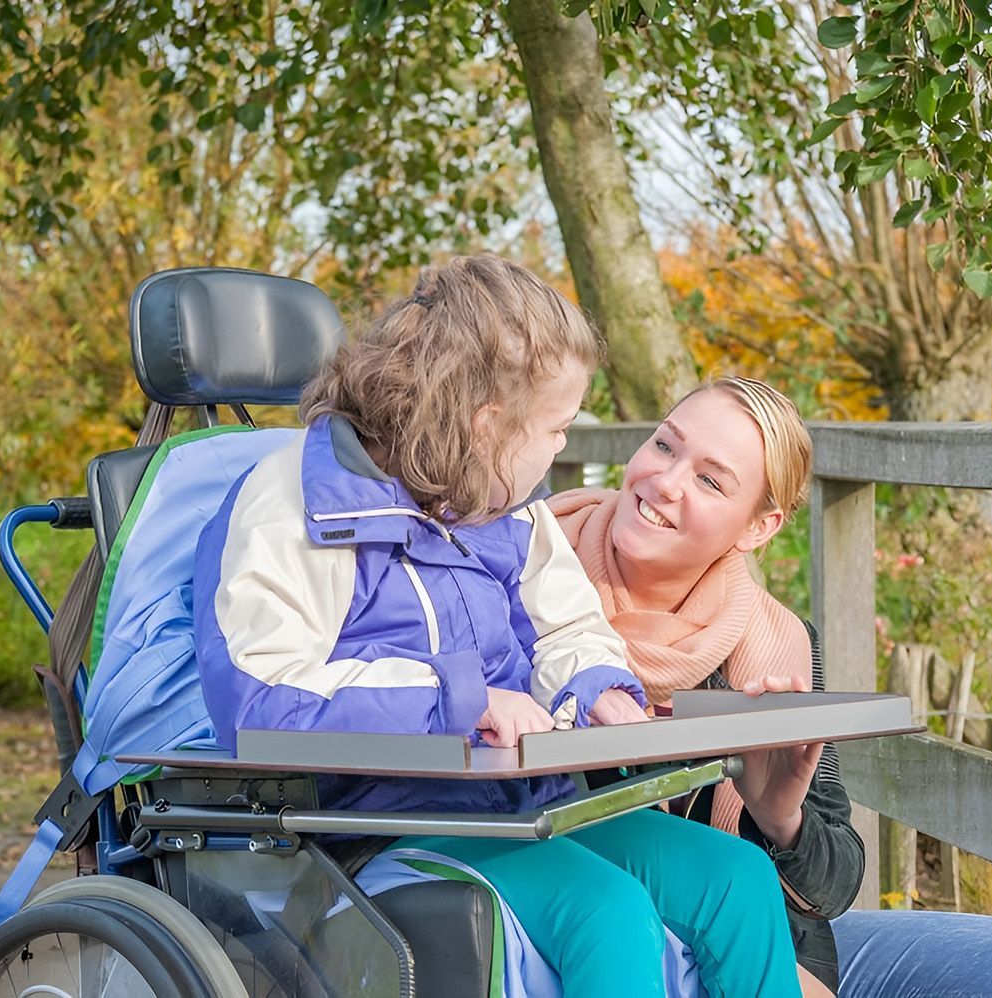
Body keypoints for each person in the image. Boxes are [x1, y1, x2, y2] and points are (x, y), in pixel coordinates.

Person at [191, 258, 801, 996]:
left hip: (517, 808)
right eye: (556, 429)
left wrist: (597, 688)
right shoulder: (293, 503)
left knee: (734, 876)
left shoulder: (504, 504)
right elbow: (260, 698)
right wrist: (463, 699)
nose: (558, 453)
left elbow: (565, 628)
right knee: (607, 912)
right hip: (369, 829)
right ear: (489, 426)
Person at [549, 376, 992, 997]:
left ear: (757, 528)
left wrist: (778, 816)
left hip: (768, 942)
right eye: (665, 445)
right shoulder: (524, 585)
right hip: (599, 935)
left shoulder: (777, 643)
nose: (665, 481)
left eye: (711, 481)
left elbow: (834, 884)